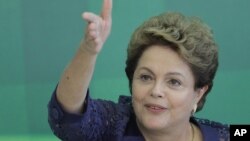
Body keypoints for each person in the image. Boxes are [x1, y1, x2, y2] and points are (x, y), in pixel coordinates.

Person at [48, 0, 229, 140]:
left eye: (174, 82)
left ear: (198, 93)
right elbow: (67, 116)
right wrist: (88, 51)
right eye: (145, 77)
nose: (156, 91)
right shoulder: (112, 126)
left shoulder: (226, 135)